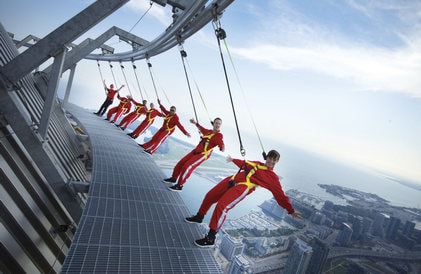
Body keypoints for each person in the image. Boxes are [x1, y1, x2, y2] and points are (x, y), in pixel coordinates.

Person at [184, 149, 301, 247]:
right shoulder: (257, 164)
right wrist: (233, 160)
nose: (271, 161)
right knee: (210, 196)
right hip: (232, 180)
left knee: (222, 206)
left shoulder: (272, 178)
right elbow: (245, 164)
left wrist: (291, 210)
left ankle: (210, 238)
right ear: (267, 157)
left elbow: (280, 195)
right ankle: (199, 217)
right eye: (270, 158)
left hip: (243, 188)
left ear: (276, 162)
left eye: (274, 159)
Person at [164, 117, 225, 192]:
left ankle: (179, 186)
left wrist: (222, 147)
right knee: (181, 163)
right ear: (213, 123)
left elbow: (221, 146)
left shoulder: (219, 136)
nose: (217, 125)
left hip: (202, 155)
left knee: (187, 166)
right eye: (216, 123)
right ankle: (173, 178)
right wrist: (195, 123)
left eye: (219, 124)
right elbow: (202, 128)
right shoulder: (208, 132)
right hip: (195, 151)